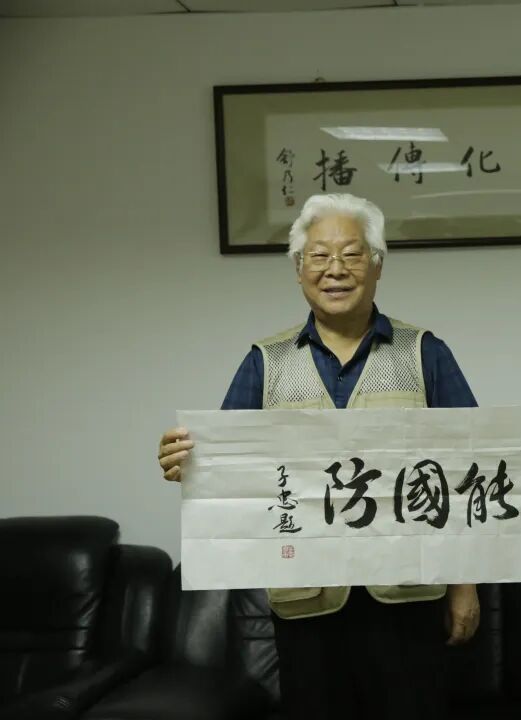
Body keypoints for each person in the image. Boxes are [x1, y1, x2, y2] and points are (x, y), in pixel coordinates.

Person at [157, 193, 480, 720]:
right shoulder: (266, 362)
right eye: (319, 256)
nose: (335, 269)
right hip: (306, 600)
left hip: (407, 597)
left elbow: (471, 469)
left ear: (377, 265)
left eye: (351, 254)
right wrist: (185, 463)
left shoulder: (424, 352)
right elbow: (226, 466)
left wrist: (466, 585)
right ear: (298, 269)